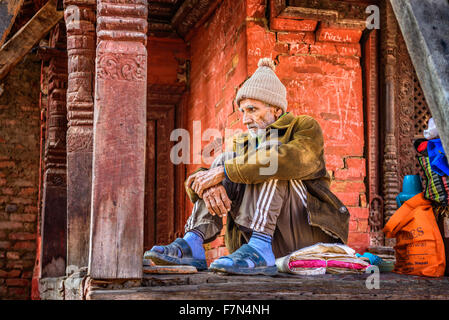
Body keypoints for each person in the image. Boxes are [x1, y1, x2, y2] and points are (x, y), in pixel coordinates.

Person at [144, 57, 350, 275]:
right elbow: (212, 172)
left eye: (252, 109)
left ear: (276, 110)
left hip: (304, 233)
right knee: (225, 159)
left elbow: (292, 160)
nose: (245, 119)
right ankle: (193, 242)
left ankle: (260, 246)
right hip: (261, 239)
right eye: (242, 111)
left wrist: (225, 172)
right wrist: (212, 183)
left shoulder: (303, 127)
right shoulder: (242, 142)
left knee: (270, 159)